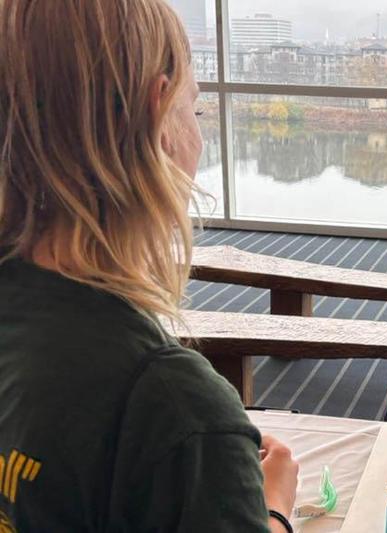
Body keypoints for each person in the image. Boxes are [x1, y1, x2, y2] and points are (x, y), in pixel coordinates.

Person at [0, 1, 298, 531]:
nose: (199, 136)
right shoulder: (176, 412)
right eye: (195, 109)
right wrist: (271, 510)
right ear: (157, 115)